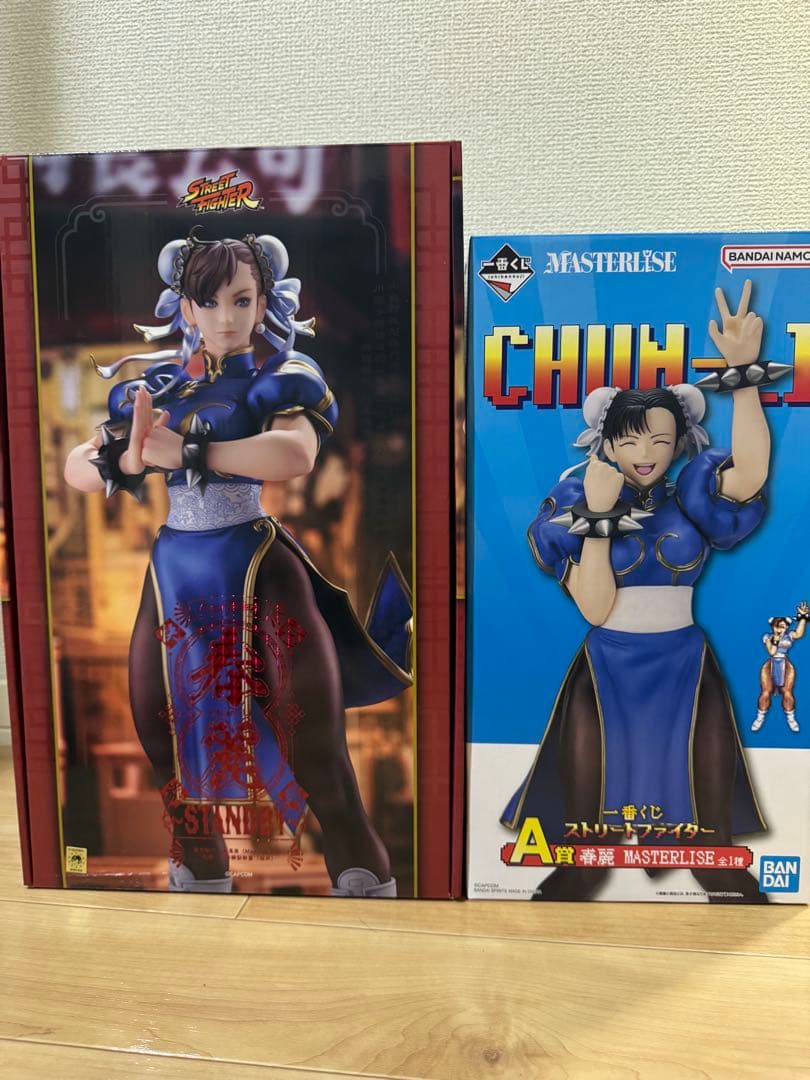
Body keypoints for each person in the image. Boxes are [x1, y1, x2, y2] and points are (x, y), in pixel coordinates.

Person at [64, 231, 412, 896]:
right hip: (175, 574)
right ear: (185, 308)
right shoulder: (158, 388)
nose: (225, 316)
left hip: (257, 563)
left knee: (314, 747)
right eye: (209, 301)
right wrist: (128, 456)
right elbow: (78, 466)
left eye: (242, 299)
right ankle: (201, 874)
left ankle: (366, 883)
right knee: (162, 738)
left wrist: (185, 454)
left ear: (263, 303)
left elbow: (294, 455)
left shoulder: (281, 379)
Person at [503, 280, 788, 903]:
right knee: (584, 838)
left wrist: (743, 376)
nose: (646, 453)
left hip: (684, 661)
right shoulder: (574, 498)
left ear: (681, 443)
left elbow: (750, 473)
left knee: (711, 835)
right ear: (606, 441)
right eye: (630, 439)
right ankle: (570, 882)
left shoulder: (691, 496)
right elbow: (596, 608)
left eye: (661, 440)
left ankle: (725, 887)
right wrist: (598, 518)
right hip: (606, 664)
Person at [753, 604, 809, 732]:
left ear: (786, 627)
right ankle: (760, 716)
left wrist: (802, 617)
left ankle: (791, 717)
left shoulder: (789, 636)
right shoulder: (768, 637)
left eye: (783, 626)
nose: (779, 629)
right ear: (773, 627)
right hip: (771, 664)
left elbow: (799, 633)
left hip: (785, 664)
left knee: (788, 692)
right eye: (777, 626)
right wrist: (776, 639)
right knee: (765, 692)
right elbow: (772, 651)